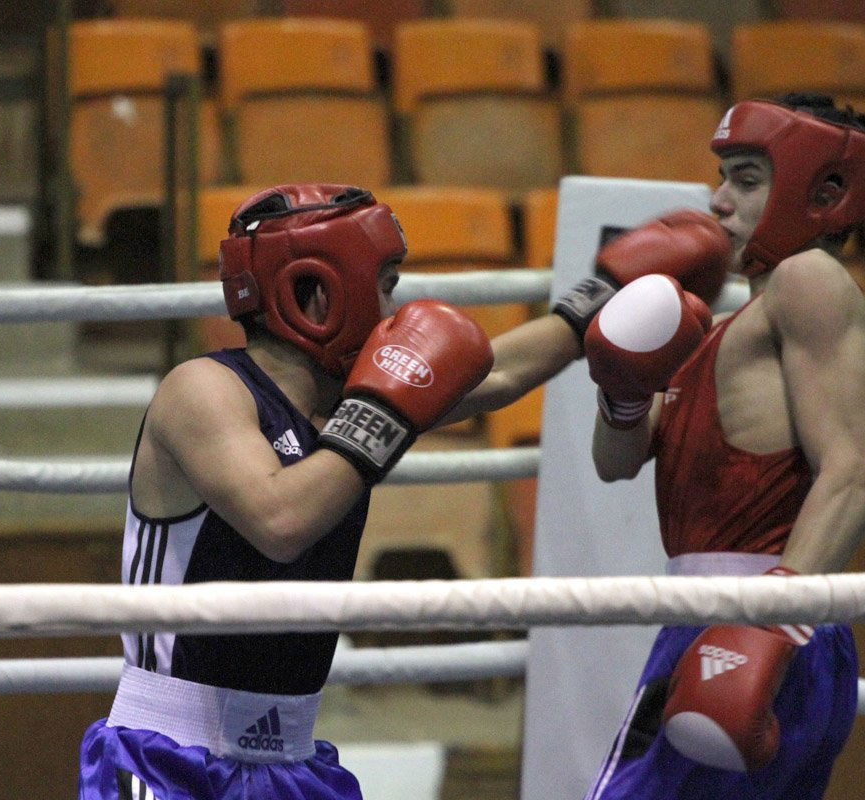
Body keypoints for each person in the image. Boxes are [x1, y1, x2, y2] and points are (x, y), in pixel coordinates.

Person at [76, 182, 731, 800]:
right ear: (316, 294)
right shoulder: (204, 390)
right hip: (169, 753)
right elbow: (279, 520)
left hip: (292, 758)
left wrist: (603, 294)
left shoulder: (344, 404)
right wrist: (385, 410)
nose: (393, 311)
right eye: (385, 285)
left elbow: (499, 374)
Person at [581, 93, 865, 799]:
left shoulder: (806, 280)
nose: (717, 200)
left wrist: (768, 627)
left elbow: (854, 479)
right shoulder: (725, 325)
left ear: (822, 194)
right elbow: (615, 463)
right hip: (744, 619)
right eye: (722, 177)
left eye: (746, 180)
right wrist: (621, 390)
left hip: (758, 616)